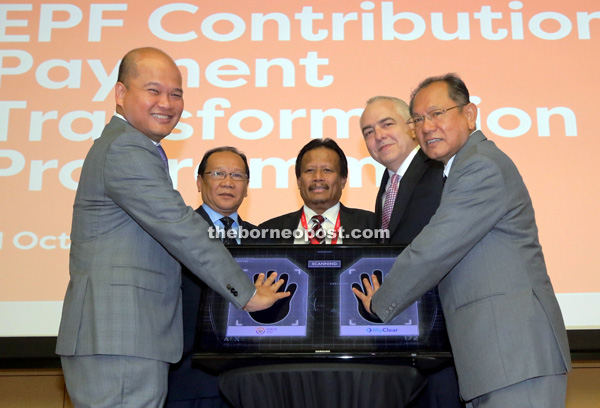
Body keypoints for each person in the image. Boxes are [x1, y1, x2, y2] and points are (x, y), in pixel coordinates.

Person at [55, 47, 289, 408]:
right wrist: (247, 294)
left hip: (126, 340)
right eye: (153, 90)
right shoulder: (126, 149)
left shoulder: (131, 146)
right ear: (120, 94)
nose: (167, 102)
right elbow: (181, 227)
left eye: (176, 93)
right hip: (120, 337)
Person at [354, 73, 571, 408]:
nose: (426, 127)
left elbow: (433, 250)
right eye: (419, 119)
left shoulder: (479, 166)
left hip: (514, 355)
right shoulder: (458, 168)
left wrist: (380, 303)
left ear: (469, 114)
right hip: (492, 359)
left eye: (437, 114)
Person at [360, 96, 463, 408]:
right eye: (367, 131)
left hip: (444, 345)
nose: (377, 136)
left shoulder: (440, 171)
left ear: (412, 125)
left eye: (386, 124)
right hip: (409, 345)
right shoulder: (388, 184)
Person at [166, 146, 258, 408]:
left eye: (238, 176)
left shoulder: (263, 237)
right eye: (218, 173)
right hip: (189, 381)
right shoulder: (175, 234)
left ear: (247, 186)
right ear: (199, 181)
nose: (228, 182)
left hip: (250, 384)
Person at [259, 138, 376, 244]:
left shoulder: (373, 225)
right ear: (299, 181)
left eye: (327, 170)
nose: (318, 177)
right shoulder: (268, 231)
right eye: (310, 170)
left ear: (343, 180)